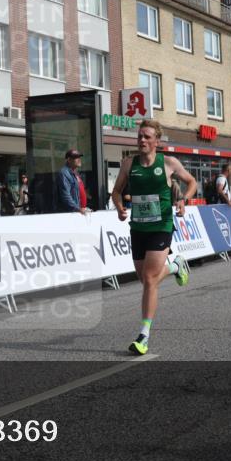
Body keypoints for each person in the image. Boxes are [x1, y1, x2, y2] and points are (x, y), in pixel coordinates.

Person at [111, 119, 196, 356]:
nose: (142, 140)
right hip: (138, 228)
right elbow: (116, 191)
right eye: (140, 136)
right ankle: (176, 264)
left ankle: (143, 336)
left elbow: (192, 182)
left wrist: (183, 200)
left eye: (147, 137)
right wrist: (119, 207)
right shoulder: (129, 164)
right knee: (145, 279)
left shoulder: (168, 163)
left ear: (157, 141)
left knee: (149, 279)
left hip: (161, 225)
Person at [57, 149, 92, 214]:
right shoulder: (64, 173)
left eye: (79, 157)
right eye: (76, 157)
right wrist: (78, 209)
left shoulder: (75, 173)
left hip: (80, 212)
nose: (79, 159)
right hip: (72, 214)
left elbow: (78, 191)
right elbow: (66, 196)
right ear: (69, 160)